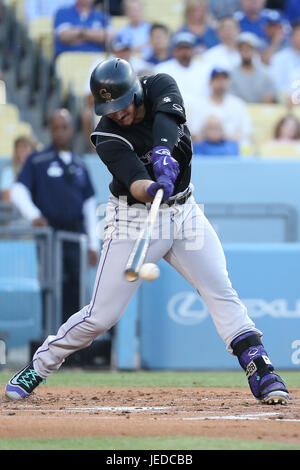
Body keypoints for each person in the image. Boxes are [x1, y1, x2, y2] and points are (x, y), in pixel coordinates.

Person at [5, 58, 289, 406]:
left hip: (185, 212)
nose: (119, 114)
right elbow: (135, 179)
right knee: (101, 316)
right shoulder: (106, 134)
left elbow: (168, 122)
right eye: (110, 107)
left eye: (123, 104)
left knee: (219, 288)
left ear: (136, 92)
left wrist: (164, 155)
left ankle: (260, 367)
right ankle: (38, 366)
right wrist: (150, 187)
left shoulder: (160, 86)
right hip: (134, 219)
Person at [10, 109, 99, 323]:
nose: (60, 132)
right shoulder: (38, 160)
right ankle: (51, 338)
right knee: (52, 285)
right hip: (51, 235)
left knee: (77, 286)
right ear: (50, 131)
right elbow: (18, 191)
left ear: (72, 130)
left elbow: (88, 204)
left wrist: (93, 244)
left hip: (76, 235)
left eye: (64, 127)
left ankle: (76, 344)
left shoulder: (79, 163)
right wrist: (34, 216)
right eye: (55, 128)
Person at [80, 35, 153, 151]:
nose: (124, 53)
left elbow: (152, 88)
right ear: (114, 50)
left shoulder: (140, 64)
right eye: (120, 50)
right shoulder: (101, 65)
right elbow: (89, 98)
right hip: (109, 104)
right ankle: (95, 150)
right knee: (87, 114)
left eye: (126, 49)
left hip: (135, 106)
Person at [188, 68, 253, 148]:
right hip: (203, 150)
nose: (221, 83)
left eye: (224, 80)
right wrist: (211, 134)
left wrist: (222, 135)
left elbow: (246, 132)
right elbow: (193, 134)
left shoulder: (238, 104)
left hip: (231, 151)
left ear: (229, 83)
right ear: (210, 82)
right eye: (217, 80)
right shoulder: (197, 104)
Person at [154, 32, 211, 113]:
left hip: (202, 112)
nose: (184, 52)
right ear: (174, 51)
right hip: (174, 113)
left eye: (187, 48)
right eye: (181, 49)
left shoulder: (204, 68)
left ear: (193, 50)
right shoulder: (162, 69)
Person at [230, 32, 277, 103]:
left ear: (254, 50)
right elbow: (230, 98)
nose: (245, 52)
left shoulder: (265, 73)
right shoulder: (231, 74)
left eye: (248, 48)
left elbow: (271, 95)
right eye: (242, 49)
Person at [271, 19, 300, 105]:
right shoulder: (279, 58)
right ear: (291, 37)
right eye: (298, 34)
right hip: (286, 101)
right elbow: (276, 84)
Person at [0, 135, 36, 203]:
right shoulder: (9, 171)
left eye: (25, 146)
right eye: (18, 147)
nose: (21, 150)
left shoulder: (39, 170)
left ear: (33, 150)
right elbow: (6, 200)